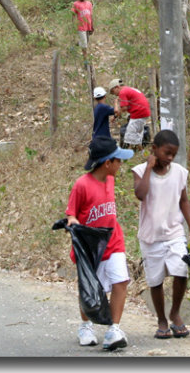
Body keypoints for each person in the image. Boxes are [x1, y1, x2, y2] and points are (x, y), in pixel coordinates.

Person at [66, 135, 134, 350]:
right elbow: (71, 214)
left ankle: (113, 329)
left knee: (120, 281)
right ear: (107, 163)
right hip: (90, 248)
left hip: (114, 241)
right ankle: (85, 326)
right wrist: (74, 223)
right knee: (90, 289)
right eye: (118, 160)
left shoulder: (111, 181)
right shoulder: (82, 185)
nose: (121, 164)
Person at [131, 130, 190, 340]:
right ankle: (161, 319)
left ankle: (175, 313)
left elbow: (184, 200)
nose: (169, 158)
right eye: (166, 153)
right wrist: (149, 168)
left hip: (174, 233)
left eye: (173, 154)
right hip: (151, 236)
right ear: (154, 149)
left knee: (181, 271)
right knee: (155, 280)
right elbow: (140, 194)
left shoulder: (179, 172)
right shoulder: (141, 170)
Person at [107, 78, 151, 150]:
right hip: (144, 112)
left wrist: (115, 116)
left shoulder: (122, 92)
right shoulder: (128, 89)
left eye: (113, 91)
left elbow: (124, 108)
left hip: (138, 113)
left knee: (129, 136)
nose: (114, 94)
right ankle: (141, 152)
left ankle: (129, 154)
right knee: (136, 135)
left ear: (117, 87)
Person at [71, 0, 94, 65]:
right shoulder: (76, 4)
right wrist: (73, 25)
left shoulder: (89, 4)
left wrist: (92, 27)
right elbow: (73, 15)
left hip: (88, 26)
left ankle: (79, 43)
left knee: (86, 42)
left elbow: (91, 15)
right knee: (85, 46)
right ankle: (85, 62)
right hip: (81, 27)